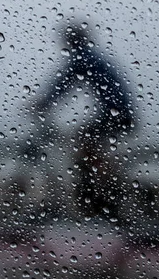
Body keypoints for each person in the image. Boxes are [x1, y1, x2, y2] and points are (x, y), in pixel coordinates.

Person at [34, 22, 136, 218]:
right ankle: (100, 191)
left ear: (73, 40)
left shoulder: (83, 57)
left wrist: (44, 104)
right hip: (118, 111)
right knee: (85, 142)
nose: (64, 43)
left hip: (117, 113)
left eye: (67, 39)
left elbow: (63, 83)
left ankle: (106, 193)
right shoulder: (90, 55)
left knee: (83, 139)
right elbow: (65, 82)